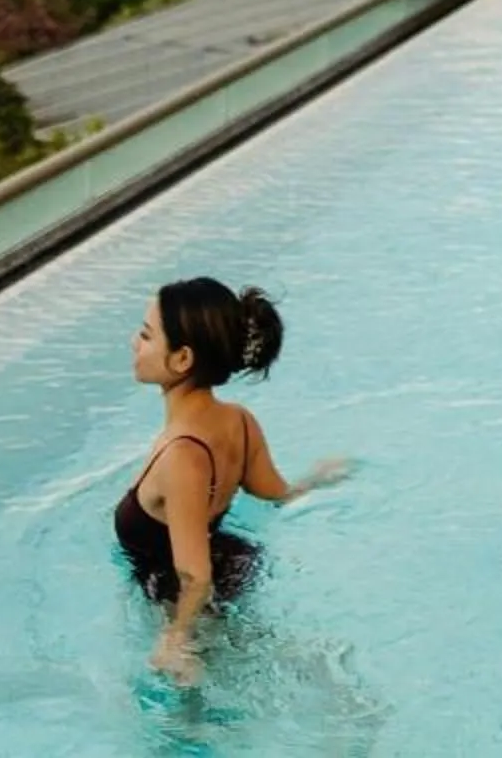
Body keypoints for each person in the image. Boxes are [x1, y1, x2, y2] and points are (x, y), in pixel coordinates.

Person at [114, 276, 351, 681]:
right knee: (251, 649)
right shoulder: (237, 421)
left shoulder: (182, 455)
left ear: (182, 359)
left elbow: (194, 575)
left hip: (180, 593)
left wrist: (175, 637)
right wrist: (316, 479)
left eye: (146, 335)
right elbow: (276, 493)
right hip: (233, 561)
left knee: (190, 708)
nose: (134, 344)